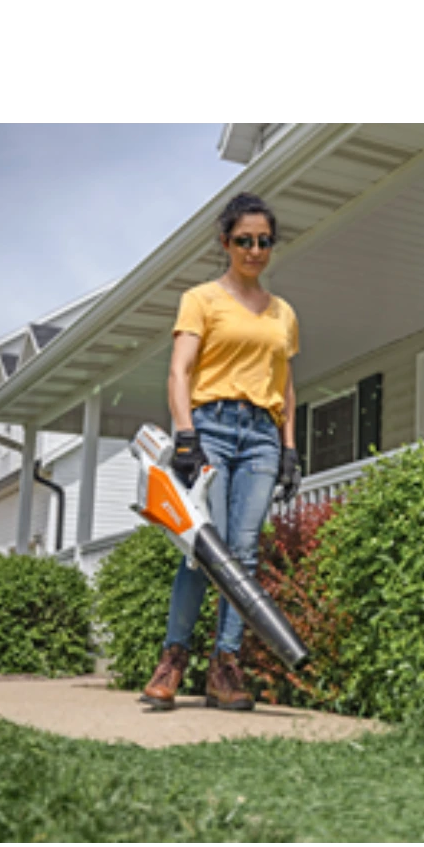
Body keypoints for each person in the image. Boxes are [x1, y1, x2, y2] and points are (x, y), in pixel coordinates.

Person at [142, 193, 302, 713]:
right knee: (202, 548)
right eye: (244, 241)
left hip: (260, 434)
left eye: (264, 241)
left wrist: (289, 449)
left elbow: (287, 384)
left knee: (245, 551)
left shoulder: (283, 313)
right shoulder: (201, 299)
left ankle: (225, 667)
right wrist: (186, 435)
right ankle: (172, 660)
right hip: (210, 424)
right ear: (225, 242)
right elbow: (180, 371)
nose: (255, 250)